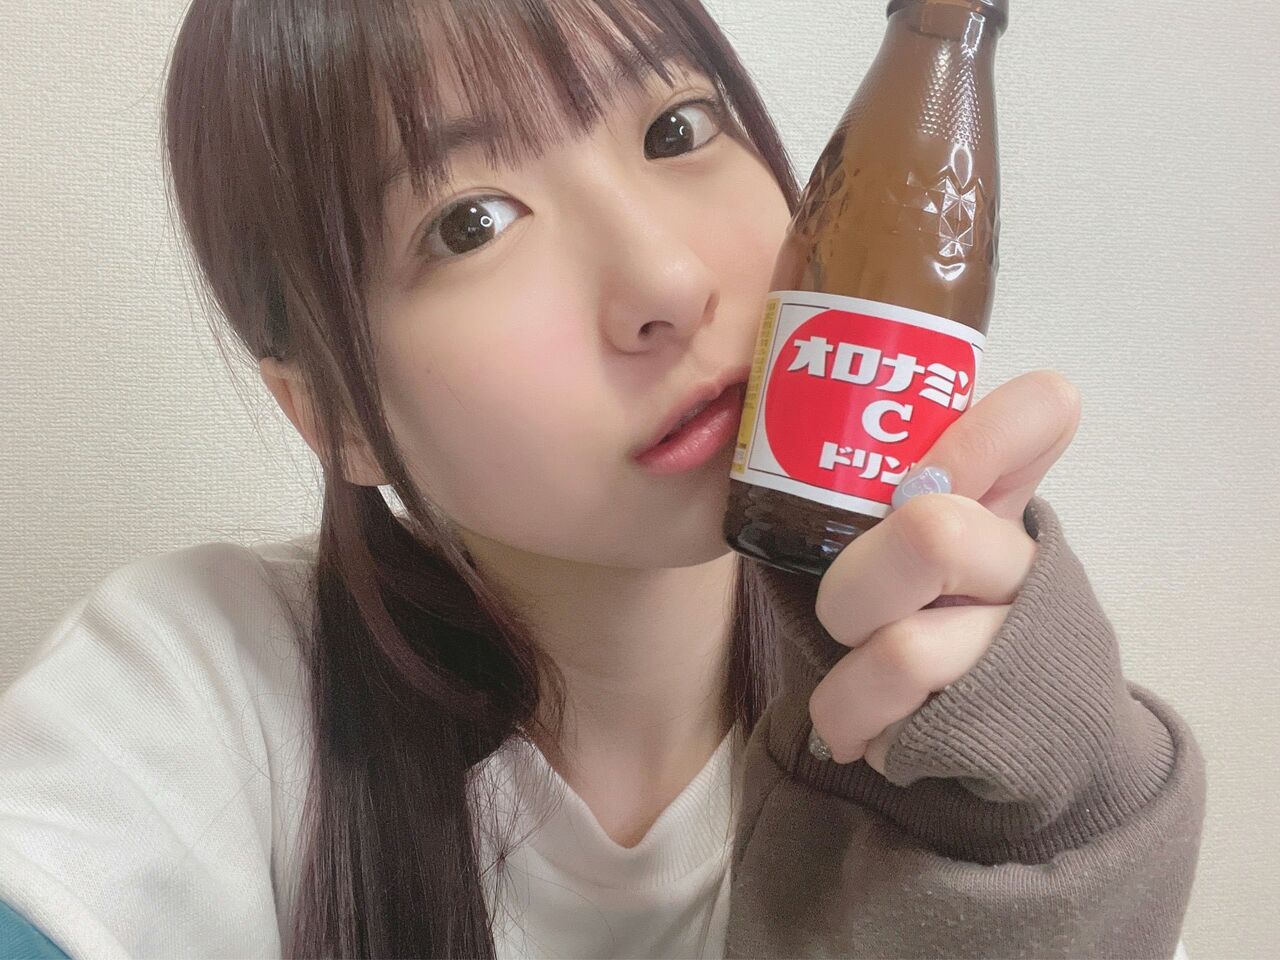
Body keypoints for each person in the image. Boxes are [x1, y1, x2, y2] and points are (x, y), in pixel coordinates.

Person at [0, 1, 1204, 958]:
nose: (665, 282)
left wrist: (1047, 847)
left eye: (675, 129)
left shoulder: (956, 707)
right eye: (469, 222)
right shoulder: (201, 692)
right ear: (334, 415)